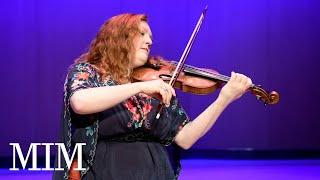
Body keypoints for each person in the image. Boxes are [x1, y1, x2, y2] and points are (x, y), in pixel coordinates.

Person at [53, 13, 252, 180]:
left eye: (150, 37)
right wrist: (139, 88)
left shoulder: (156, 83)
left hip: (156, 172)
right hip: (107, 172)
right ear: (118, 37)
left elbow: (185, 138)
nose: (150, 41)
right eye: (142, 34)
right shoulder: (88, 72)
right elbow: (80, 102)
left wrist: (223, 99)